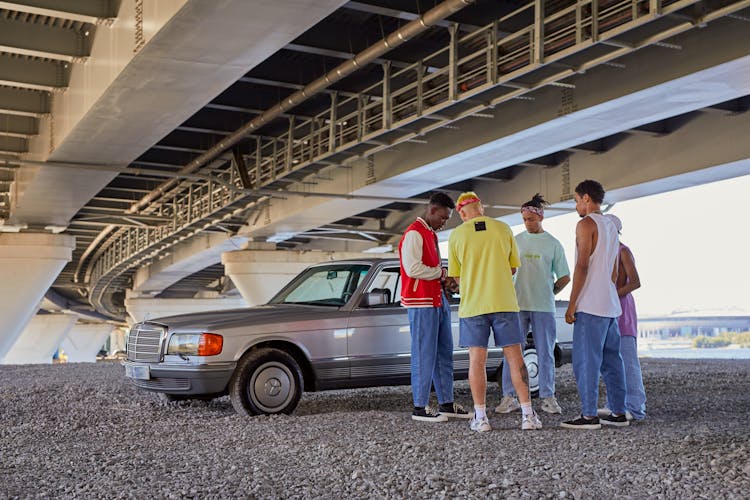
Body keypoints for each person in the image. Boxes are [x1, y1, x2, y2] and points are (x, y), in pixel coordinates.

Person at [448, 191, 542, 432]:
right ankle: (528, 415)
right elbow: (512, 268)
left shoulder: (457, 235)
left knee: (476, 361)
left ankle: (481, 417)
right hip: (504, 303)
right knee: (515, 358)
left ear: (461, 212)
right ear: (482, 207)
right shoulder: (503, 229)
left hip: (473, 306)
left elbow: (457, 277)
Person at [561, 180, 629, 429]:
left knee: (586, 362)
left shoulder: (585, 224)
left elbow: (582, 265)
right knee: (613, 361)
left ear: (587, 198)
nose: (577, 206)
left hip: (590, 305)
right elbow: (612, 270)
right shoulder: (611, 225)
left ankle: (589, 415)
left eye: (577, 201)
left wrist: (571, 305)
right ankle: (619, 413)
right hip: (610, 304)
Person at [399, 192, 471, 422]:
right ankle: (420, 407)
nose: (444, 223)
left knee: (443, 353)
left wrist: (443, 281)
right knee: (423, 354)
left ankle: (446, 403)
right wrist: (441, 274)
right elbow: (413, 269)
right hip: (420, 303)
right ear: (431, 211)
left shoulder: (429, 234)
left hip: (436, 300)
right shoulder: (414, 234)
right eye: (443, 218)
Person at [497, 194, 570, 416]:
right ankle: (510, 397)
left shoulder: (553, 244)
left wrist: (550, 291)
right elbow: (504, 272)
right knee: (512, 352)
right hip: (517, 307)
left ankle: (548, 398)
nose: (527, 222)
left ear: (540, 217)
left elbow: (565, 277)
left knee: (546, 352)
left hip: (544, 308)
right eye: (524, 219)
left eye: (531, 218)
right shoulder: (515, 241)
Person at [599, 215, 647, 421]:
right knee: (610, 361)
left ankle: (635, 408)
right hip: (607, 311)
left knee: (628, 362)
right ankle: (614, 404)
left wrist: (613, 294)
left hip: (622, 311)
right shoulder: (605, 253)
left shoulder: (623, 251)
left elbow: (635, 282)